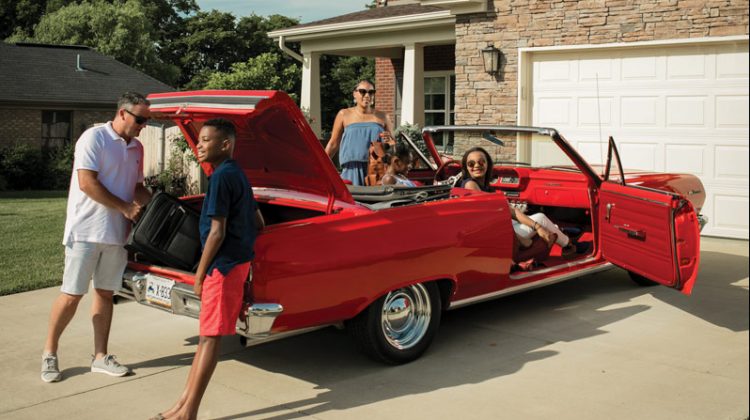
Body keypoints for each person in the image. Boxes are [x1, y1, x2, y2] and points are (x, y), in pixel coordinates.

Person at [41, 92, 153, 383]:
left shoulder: (137, 148)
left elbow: (136, 186)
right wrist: (126, 207)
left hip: (117, 234)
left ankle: (100, 357)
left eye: (147, 120)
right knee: (72, 295)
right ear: (123, 114)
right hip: (86, 231)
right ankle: (50, 353)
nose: (144, 125)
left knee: (105, 293)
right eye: (140, 119)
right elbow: (87, 183)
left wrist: (158, 204)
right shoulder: (93, 139)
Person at [155, 118, 256, 420]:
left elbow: (217, 231)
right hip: (232, 264)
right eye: (198, 140)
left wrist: (199, 274)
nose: (199, 145)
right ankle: (181, 406)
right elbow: (257, 219)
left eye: (206, 140)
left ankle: (189, 414)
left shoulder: (223, 177)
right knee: (205, 338)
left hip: (222, 268)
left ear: (225, 144)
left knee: (210, 339)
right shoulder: (234, 173)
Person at [460, 147, 576, 259]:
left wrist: (537, 227)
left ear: (487, 164)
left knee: (538, 221)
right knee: (541, 218)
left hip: (501, 226)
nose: (476, 166)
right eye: (471, 163)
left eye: (481, 162)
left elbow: (511, 211)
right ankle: (567, 244)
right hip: (496, 234)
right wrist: (518, 237)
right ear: (466, 167)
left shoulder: (485, 187)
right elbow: (485, 219)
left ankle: (559, 233)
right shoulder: (471, 185)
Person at [324, 80, 394, 186]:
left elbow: (394, 146)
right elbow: (333, 143)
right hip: (350, 170)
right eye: (363, 91)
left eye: (371, 92)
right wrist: (320, 164)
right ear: (354, 94)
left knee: (375, 202)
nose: (367, 95)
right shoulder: (344, 114)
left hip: (376, 170)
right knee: (350, 201)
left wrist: (390, 142)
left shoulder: (383, 116)